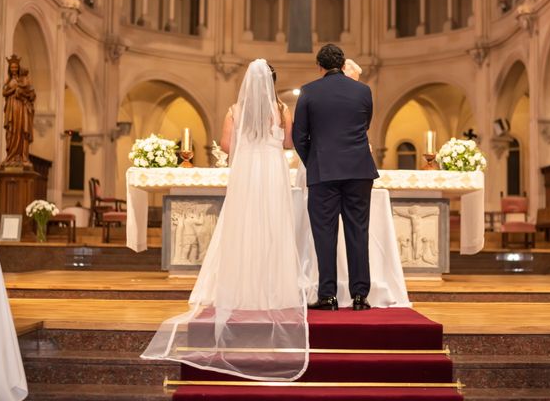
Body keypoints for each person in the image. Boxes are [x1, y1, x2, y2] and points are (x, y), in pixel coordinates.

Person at [142, 59, 308, 381]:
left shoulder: (235, 110)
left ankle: (242, 286)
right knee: (272, 227)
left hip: (247, 173)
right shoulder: (283, 109)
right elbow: (288, 143)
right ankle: (272, 288)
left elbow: (227, 146)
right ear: (272, 83)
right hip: (273, 172)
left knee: (242, 227)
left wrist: (249, 144)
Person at [293, 44, 379, 311]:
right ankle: (359, 296)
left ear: (319, 67)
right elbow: (365, 125)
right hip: (359, 171)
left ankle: (328, 296)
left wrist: (315, 161)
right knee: (358, 232)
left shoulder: (309, 91)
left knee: (324, 234)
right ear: (343, 65)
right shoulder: (363, 91)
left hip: (324, 172)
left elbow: (299, 136)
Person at [3, 55, 36, 169]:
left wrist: (22, 92)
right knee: (12, 131)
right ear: (9, 68)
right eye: (11, 67)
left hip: (21, 108)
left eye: (15, 67)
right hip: (12, 108)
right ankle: (11, 156)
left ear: (18, 67)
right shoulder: (8, 81)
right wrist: (14, 89)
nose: (13, 69)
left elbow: (32, 94)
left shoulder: (23, 79)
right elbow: (4, 92)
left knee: (22, 130)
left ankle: (22, 156)